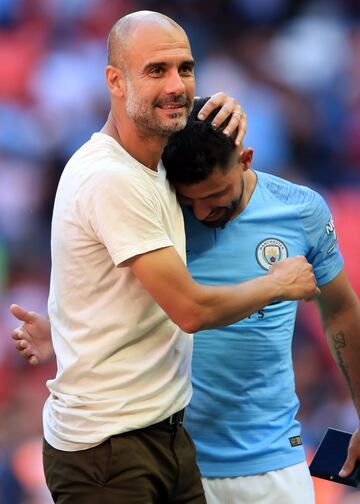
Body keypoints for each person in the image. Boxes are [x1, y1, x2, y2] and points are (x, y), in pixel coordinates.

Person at [9, 11, 319, 504]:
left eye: (186, 68)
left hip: (164, 436)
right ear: (115, 80)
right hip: (108, 453)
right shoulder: (113, 178)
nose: (176, 84)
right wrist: (279, 283)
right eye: (156, 70)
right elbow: (191, 310)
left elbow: (116, 283)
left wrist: (229, 111)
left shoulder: (153, 158)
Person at [161, 98, 360, 503]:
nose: (201, 213)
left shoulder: (300, 210)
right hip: (174, 463)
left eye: (215, 195)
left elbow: (340, 309)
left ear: (246, 159)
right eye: (190, 200)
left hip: (273, 465)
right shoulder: (159, 210)